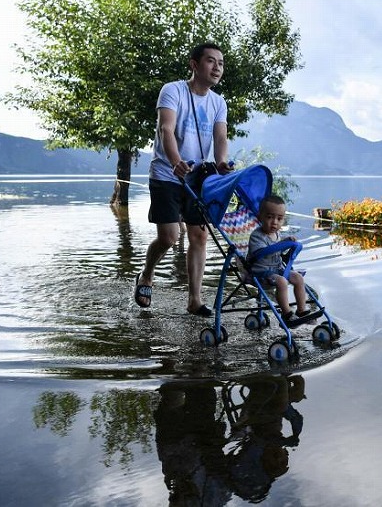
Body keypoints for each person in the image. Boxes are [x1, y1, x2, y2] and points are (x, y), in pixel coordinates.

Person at [134, 42, 232, 316]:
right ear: (194, 64)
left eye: (221, 63)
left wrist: (222, 162)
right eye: (211, 61)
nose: (217, 68)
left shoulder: (218, 102)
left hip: (199, 177)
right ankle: (147, 275)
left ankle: (195, 299)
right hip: (167, 173)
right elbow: (166, 128)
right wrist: (176, 162)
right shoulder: (173, 90)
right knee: (168, 237)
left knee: (199, 236)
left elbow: (220, 137)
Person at [248, 195, 317, 326]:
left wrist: (286, 242)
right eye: (269, 217)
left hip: (277, 268)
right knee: (282, 281)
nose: (274, 222)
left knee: (298, 278)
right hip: (262, 272)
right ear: (260, 217)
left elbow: (277, 249)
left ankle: (301, 310)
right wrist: (281, 245)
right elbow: (259, 254)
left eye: (279, 219)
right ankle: (286, 314)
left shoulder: (276, 234)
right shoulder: (257, 236)